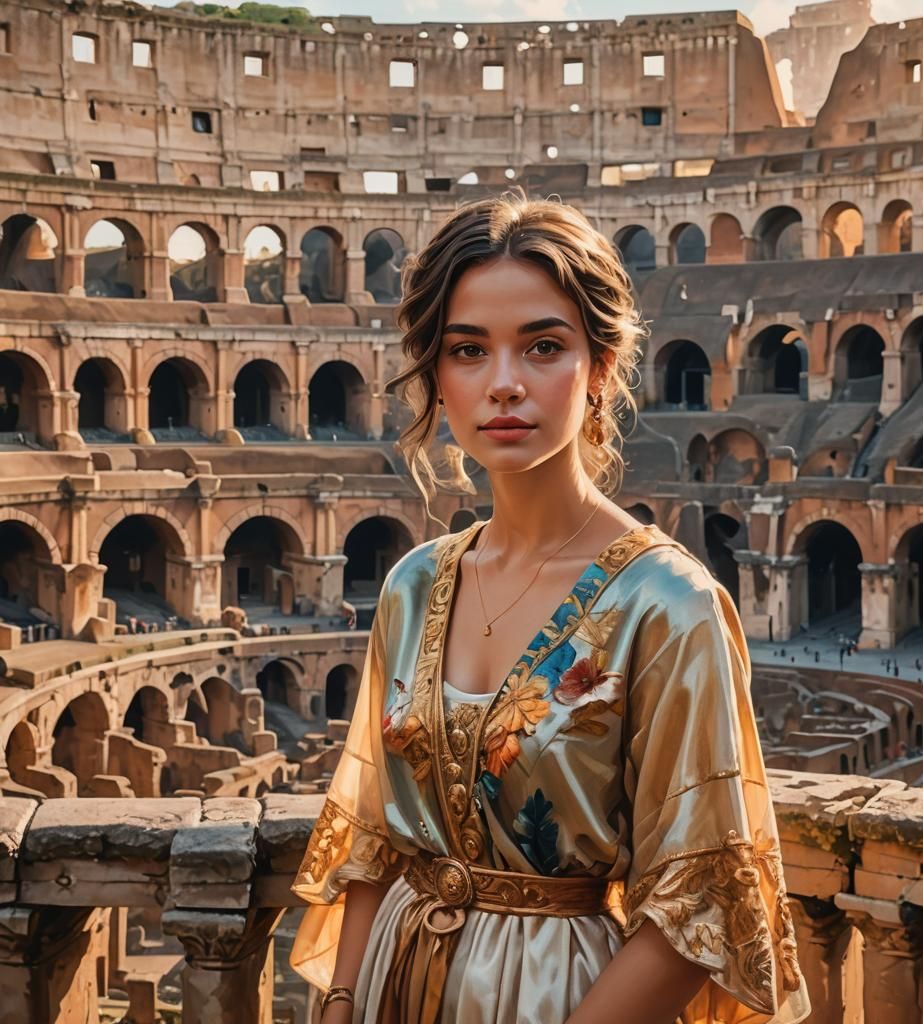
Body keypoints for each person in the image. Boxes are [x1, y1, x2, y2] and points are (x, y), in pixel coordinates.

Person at [288, 191, 810, 1024]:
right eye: (468, 350)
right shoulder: (413, 586)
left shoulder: (670, 607)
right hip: (393, 976)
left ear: (599, 369)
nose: (503, 385)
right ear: (435, 374)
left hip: (558, 997)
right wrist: (343, 999)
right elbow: (374, 831)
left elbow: (702, 900)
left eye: (542, 346)